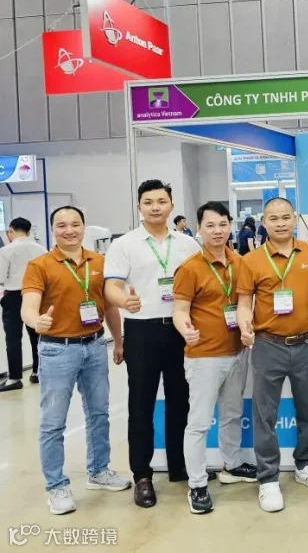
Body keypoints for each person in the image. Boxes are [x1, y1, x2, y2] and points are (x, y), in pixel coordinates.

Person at [21, 205, 130, 514]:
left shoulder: (100, 262)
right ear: (52, 229)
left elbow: (109, 306)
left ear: (84, 227)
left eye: (75, 224)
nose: (69, 230)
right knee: (53, 422)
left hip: (95, 346)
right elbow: (28, 305)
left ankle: (99, 471)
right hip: (57, 350)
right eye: (61, 225)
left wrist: (118, 341)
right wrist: (36, 321)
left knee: (99, 413)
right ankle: (56, 486)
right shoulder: (39, 265)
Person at [104, 179, 202, 508]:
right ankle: (142, 476)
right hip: (142, 331)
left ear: (171, 205)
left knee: (181, 400)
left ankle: (179, 465)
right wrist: (124, 301)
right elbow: (111, 286)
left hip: (180, 330)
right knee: (141, 405)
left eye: (161, 201)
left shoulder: (188, 244)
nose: (155, 207)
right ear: (139, 206)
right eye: (148, 202)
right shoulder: (125, 244)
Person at [236, 197, 308, 513]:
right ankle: (268, 478)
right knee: (265, 415)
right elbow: (244, 303)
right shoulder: (251, 260)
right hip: (267, 344)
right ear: (264, 222)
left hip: (306, 342)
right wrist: (244, 326)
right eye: (273, 218)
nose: (280, 223)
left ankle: (305, 464)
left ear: (294, 219)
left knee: (307, 407)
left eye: (285, 217)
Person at [173, 202, 258, 515]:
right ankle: (197, 484)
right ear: (200, 228)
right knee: (198, 423)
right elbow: (180, 311)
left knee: (232, 413)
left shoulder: (240, 262)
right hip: (204, 356)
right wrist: (186, 330)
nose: (217, 231)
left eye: (222, 224)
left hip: (237, 352)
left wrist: (246, 329)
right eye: (210, 225)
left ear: (230, 225)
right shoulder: (190, 268)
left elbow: (245, 303)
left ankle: (232, 464)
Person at [0, 217, 45, 391]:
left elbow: (1, 277)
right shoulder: (41, 249)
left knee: (13, 338)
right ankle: (37, 372)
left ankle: (14, 378)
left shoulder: (6, 250)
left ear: (11, 231)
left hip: (13, 296)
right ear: (29, 231)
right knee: (37, 335)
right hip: (36, 294)